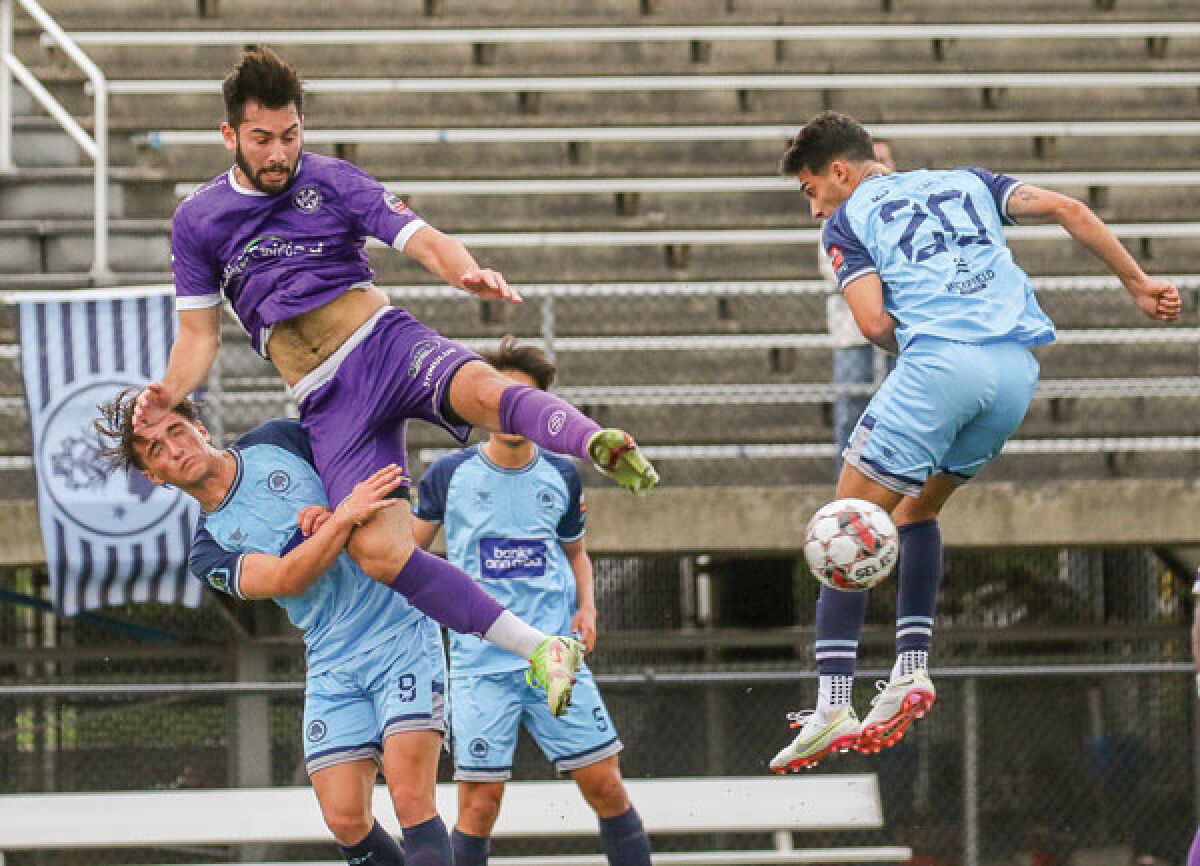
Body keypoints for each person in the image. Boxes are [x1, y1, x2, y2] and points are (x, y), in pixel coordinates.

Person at [131, 47, 658, 711]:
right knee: (381, 554)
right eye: (262, 139)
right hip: (328, 401)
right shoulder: (198, 220)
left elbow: (426, 238)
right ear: (229, 135)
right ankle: (542, 650)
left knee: (485, 393)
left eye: (291, 136)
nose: (279, 153)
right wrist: (169, 392)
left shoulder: (334, 180)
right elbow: (199, 335)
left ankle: (596, 443)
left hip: (384, 344)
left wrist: (463, 271)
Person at [768, 111, 1182, 773]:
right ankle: (909, 669)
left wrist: (938, 354)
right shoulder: (969, 181)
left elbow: (874, 324)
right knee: (918, 511)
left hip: (942, 366)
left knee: (844, 523)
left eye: (811, 190)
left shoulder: (850, 220)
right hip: (1016, 373)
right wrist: (1138, 283)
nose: (815, 209)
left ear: (839, 171)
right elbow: (1069, 208)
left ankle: (832, 702)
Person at [95, 388, 450, 864]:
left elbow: (352, 471)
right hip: (331, 658)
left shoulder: (278, 440)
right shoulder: (208, 552)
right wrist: (338, 523)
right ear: (154, 477)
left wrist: (336, 508)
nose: (175, 449)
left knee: (410, 798)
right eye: (157, 450)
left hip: (398, 631)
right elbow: (289, 576)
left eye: (176, 432)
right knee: (345, 819)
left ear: (200, 429)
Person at [411, 337, 653, 866]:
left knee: (606, 787)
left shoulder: (562, 474)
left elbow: (577, 554)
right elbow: (408, 557)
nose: (508, 411)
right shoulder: (448, 476)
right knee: (479, 804)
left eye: (522, 400)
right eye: (498, 397)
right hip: (480, 665)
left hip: (556, 657)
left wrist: (587, 608)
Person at [822, 140, 896, 476]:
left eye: (884, 160)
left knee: (903, 411)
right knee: (851, 410)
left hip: (898, 324)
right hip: (852, 328)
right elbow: (832, 268)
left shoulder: (900, 210)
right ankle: (847, 487)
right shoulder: (838, 215)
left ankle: (898, 483)